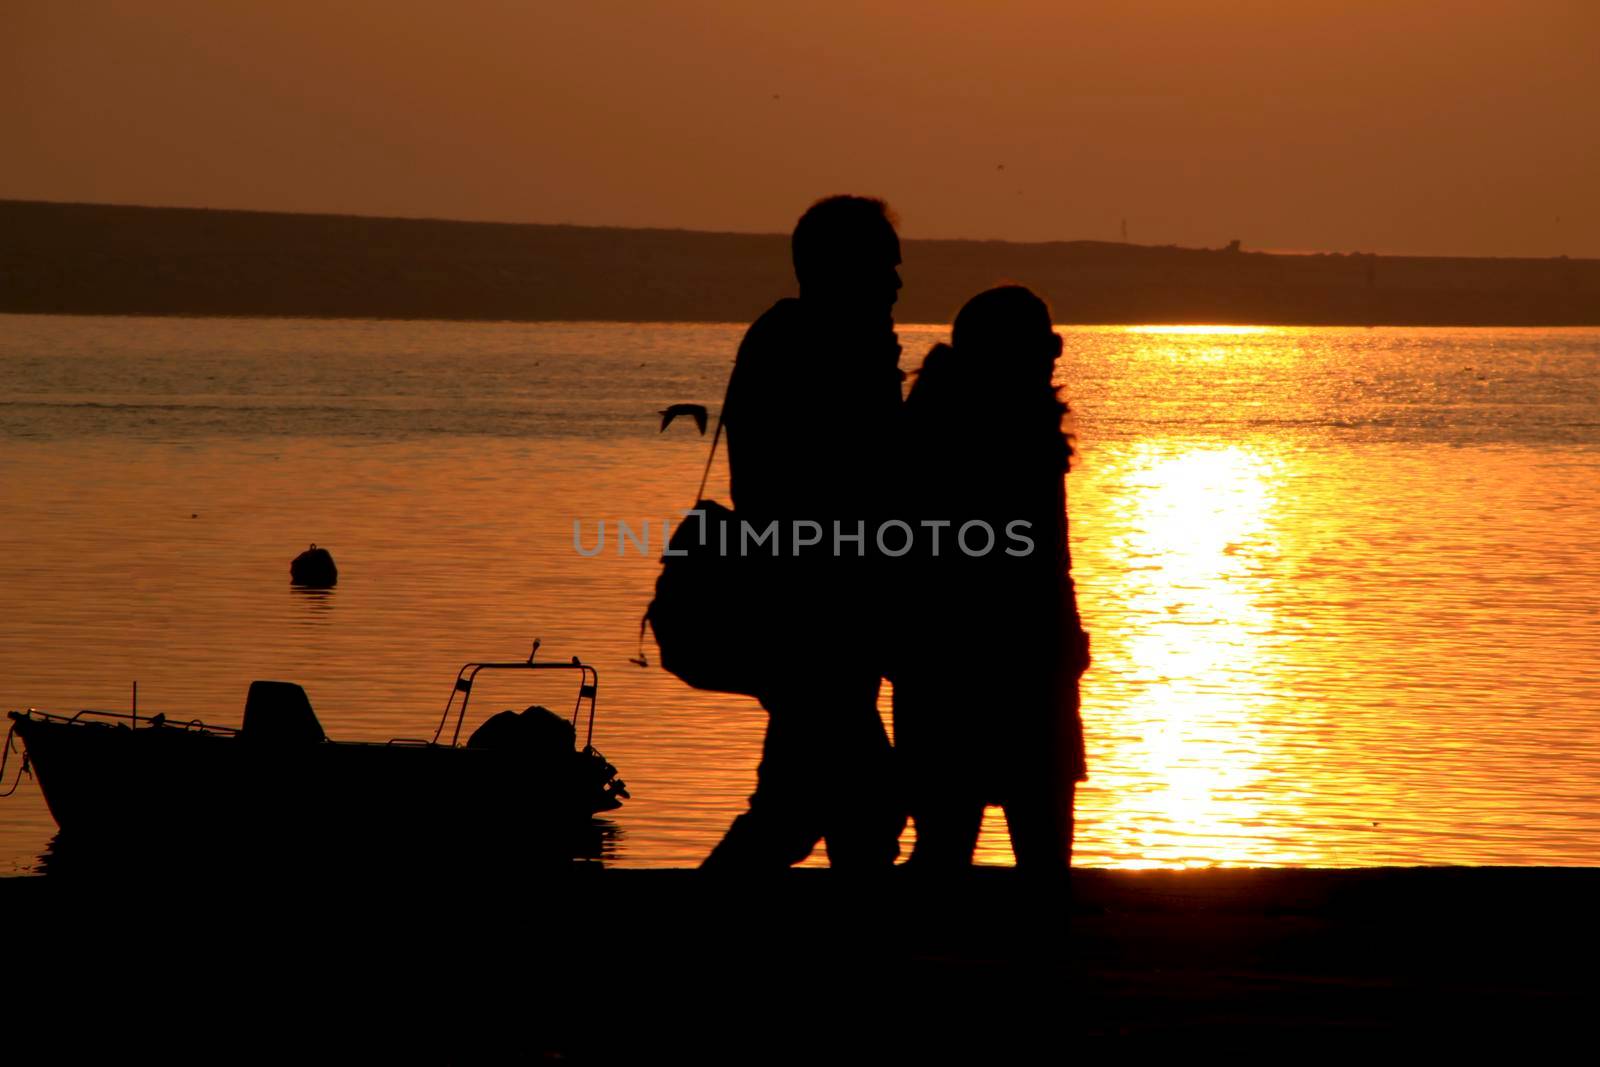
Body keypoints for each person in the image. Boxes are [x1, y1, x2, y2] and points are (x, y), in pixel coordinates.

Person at [700, 195, 907, 870]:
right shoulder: (818, 346)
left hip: (821, 610)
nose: (897, 283)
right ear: (843, 269)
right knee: (834, 800)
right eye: (885, 266)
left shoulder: (798, 339)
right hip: (814, 610)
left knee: (828, 797)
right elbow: (856, 478)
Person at [891, 285, 1089, 872]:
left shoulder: (926, 423)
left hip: (951, 656)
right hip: (998, 655)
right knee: (1031, 836)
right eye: (1046, 344)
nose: (1055, 356)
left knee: (954, 838)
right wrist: (1065, 636)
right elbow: (1044, 560)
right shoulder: (1014, 431)